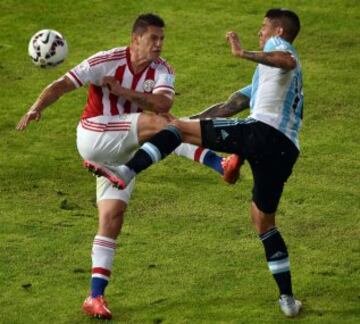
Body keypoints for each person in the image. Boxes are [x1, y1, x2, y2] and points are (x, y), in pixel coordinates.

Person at [16, 13, 239, 320]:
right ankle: (219, 163)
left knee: (112, 218)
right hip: (93, 135)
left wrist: (122, 92)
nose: (160, 45)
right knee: (166, 127)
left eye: (162, 39)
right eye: (153, 39)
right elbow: (62, 84)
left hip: (120, 151)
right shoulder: (105, 61)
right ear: (136, 39)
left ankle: (94, 297)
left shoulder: (163, 70)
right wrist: (35, 107)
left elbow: (163, 104)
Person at [88, 8, 304, 317]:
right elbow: (231, 106)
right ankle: (287, 300)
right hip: (285, 151)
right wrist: (189, 121)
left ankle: (126, 169)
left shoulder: (278, 49)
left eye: (264, 28)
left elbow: (287, 60)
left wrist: (243, 53)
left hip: (263, 132)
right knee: (263, 221)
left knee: (175, 131)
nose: (261, 32)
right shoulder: (269, 79)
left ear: (278, 32)